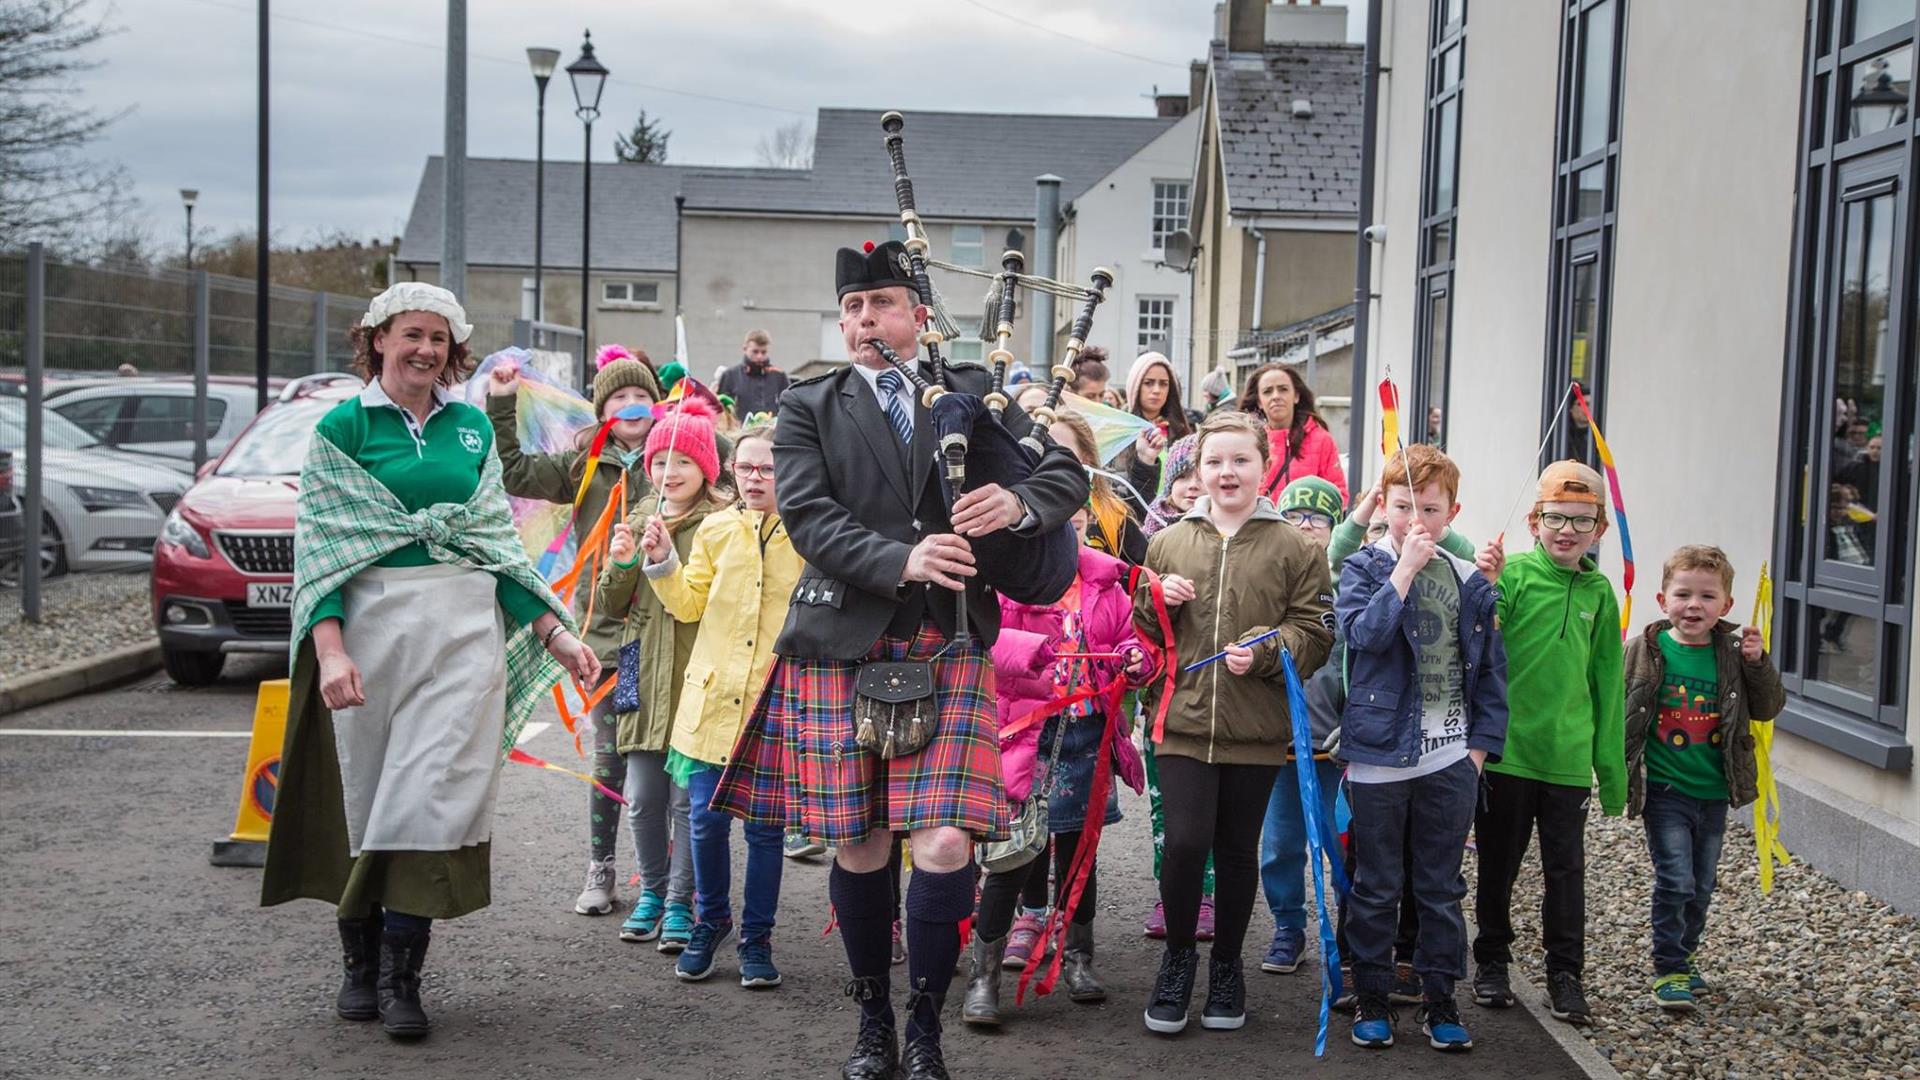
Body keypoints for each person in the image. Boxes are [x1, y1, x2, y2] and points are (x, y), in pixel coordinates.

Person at [709, 239, 1086, 1080]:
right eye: (852, 307)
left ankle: (925, 1025)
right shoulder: (810, 404)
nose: (863, 319)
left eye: (879, 303)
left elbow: (1064, 469)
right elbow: (807, 514)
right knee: (861, 844)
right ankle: (872, 1018)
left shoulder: (973, 393)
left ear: (918, 316)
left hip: (947, 639)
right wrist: (902, 559)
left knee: (947, 844)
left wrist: (1020, 505)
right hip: (845, 642)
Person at [262, 282, 600, 1040]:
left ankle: (402, 975)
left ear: (454, 351)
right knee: (368, 798)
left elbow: (496, 547)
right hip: (371, 635)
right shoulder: (342, 429)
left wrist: (556, 632)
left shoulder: (475, 429)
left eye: (439, 339)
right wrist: (331, 649)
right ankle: (359, 961)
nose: (425, 350)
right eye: (412, 334)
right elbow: (321, 550)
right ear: (377, 338)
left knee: (431, 795)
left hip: (461, 636)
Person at [1133, 408, 1334, 1036]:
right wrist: (1151, 599)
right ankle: (1176, 964)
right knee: (1186, 843)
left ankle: (1227, 967)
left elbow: (1316, 632)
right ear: (1198, 469)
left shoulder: (1295, 547)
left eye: (1240, 460)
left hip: (1256, 728)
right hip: (1181, 720)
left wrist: (1271, 650)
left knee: (1235, 851)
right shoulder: (1168, 541)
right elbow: (1143, 632)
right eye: (1214, 461)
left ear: (1263, 466)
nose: (1226, 472)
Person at [1336, 443, 1506, 1053]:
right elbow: (1364, 635)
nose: (1417, 521)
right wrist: (1403, 571)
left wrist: (1477, 753)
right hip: (1378, 757)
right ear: (1385, 505)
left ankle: (1441, 1000)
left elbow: (1491, 673)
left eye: (1430, 510)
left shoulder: (1469, 581)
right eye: (1405, 506)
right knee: (1377, 885)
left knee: (1439, 888)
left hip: (1450, 760)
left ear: (1451, 513)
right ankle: (1374, 998)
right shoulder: (1365, 567)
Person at [964, 505, 1156, 1026]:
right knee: (1013, 857)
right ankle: (983, 979)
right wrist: (1039, 652)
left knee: (1079, 854)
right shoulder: (1006, 579)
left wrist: (1136, 658)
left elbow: (1131, 644)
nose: (1061, 534)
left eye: (1071, 524)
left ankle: (1078, 958)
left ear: (1083, 527)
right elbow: (985, 642)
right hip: (1027, 736)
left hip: (1088, 738)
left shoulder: (1105, 583)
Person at [486, 342, 660, 917]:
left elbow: (753, 469)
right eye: (620, 397)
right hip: (610, 634)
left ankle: (668, 882)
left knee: (665, 762)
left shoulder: (681, 452)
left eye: (642, 395)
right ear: (603, 408)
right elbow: (513, 470)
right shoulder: (584, 465)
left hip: (672, 633)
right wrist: (502, 403)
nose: (633, 405)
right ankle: (602, 866)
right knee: (612, 752)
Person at [637, 424, 801, 988]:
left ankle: (758, 938)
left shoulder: (808, 533)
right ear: (731, 472)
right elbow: (686, 606)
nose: (755, 479)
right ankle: (712, 922)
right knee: (705, 824)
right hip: (709, 705)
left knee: (764, 832)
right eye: (745, 468)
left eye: (767, 469)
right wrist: (661, 562)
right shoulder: (714, 529)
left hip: (775, 704)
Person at [1469, 460, 1625, 1027]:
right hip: (1508, 753)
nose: (1567, 531)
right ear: (1534, 520)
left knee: (1566, 871)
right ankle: (1490, 959)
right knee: (1498, 864)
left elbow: (1607, 683)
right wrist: (1485, 586)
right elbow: (1485, 632)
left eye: (1581, 523)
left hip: (1565, 762)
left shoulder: (1600, 593)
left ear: (1599, 531)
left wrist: (1611, 775)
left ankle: (1566, 973)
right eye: (1555, 517)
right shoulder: (1513, 576)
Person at [1624, 546, 1783, 1012]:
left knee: (1702, 883)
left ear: (1726, 606)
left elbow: (1769, 706)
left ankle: (1686, 957)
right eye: (1684, 594)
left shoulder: (1734, 653)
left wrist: (1759, 664)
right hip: (1666, 791)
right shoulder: (1644, 650)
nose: (1694, 605)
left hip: (1714, 790)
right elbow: (1620, 710)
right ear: (1662, 598)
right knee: (1674, 879)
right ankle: (1668, 967)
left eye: (1707, 597)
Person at [599, 400, 728, 954]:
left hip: (693, 674)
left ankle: (681, 900)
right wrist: (622, 562)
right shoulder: (635, 517)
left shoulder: (719, 525)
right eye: (658, 462)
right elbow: (610, 605)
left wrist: (668, 556)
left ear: (705, 470)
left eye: (682, 463)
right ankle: (651, 891)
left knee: (686, 801)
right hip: (635, 668)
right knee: (642, 796)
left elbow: (704, 605)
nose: (668, 473)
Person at [1256, 476, 1346, 975]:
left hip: (1337, 747)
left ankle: (1352, 929)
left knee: (1343, 843)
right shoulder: (1271, 578)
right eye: (1295, 516)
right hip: (1282, 745)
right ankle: (1289, 927)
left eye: (1318, 517)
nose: (1306, 526)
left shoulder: (1351, 583)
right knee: (1280, 844)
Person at [1137, 432, 1214, 940]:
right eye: (1181, 476)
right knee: (1167, 805)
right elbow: (1136, 616)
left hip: (1212, 686)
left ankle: (1208, 894)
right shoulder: (1153, 536)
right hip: (1162, 690)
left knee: (1209, 807)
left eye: (1197, 476)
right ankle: (1173, 894)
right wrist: (1160, 596)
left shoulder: (1223, 532)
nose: (1190, 486)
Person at [1238, 362, 1347, 502]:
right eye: (1267, 391)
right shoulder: (1248, 441)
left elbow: (1338, 495)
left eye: (1283, 389)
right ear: (1259, 401)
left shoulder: (1322, 440)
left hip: (1305, 523)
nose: (1276, 396)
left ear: (1296, 396)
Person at [1050, 410, 1147, 565]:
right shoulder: (1018, 508)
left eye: (1060, 450)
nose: (1049, 458)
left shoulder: (1112, 512)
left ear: (1086, 459)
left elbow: (1141, 572)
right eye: (1043, 448)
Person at [1121, 351, 1199, 500]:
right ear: (1135, 386)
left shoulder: (1184, 430)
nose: (1156, 390)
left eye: (1163, 384)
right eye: (1148, 383)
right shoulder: (1121, 430)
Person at [717, 329, 790, 421]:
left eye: (763, 352)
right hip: (739, 432)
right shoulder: (730, 375)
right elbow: (721, 410)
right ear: (744, 349)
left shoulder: (779, 376)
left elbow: (789, 407)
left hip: (772, 431)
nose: (759, 356)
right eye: (755, 352)